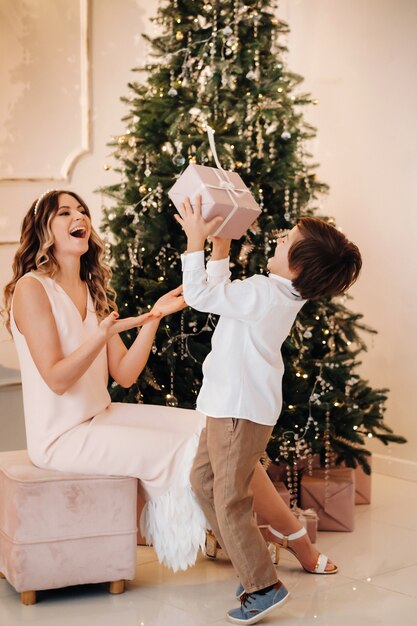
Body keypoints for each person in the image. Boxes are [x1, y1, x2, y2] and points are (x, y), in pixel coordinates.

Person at [3, 189, 338, 582]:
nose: (79, 217)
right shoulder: (31, 288)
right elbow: (57, 379)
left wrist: (154, 317)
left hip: (100, 414)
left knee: (206, 427)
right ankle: (287, 540)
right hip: (61, 436)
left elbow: (124, 374)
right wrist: (101, 334)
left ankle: (268, 533)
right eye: (64, 213)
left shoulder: (91, 290)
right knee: (191, 448)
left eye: (82, 211)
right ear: (43, 228)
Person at [176, 195, 362, 624]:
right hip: (230, 407)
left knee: (228, 497)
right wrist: (219, 249)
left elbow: (202, 296)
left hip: (237, 411)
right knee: (203, 483)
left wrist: (195, 241)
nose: (277, 240)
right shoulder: (274, 292)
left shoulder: (263, 293)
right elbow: (222, 295)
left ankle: (263, 587)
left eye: (285, 242)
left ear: (297, 267)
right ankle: (252, 567)